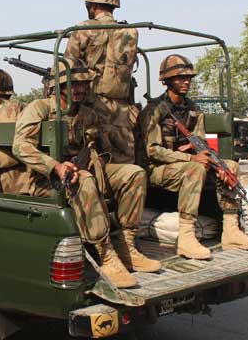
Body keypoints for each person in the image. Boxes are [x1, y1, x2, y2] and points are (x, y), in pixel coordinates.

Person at [13, 57, 160, 288]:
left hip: (88, 171)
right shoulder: (40, 108)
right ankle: (106, 254)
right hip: (49, 180)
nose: (81, 88)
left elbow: (102, 146)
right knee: (85, 180)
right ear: (58, 86)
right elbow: (20, 146)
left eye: (84, 84)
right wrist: (56, 166)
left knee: (134, 174)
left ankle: (127, 244)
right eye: (74, 84)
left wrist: (99, 159)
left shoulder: (87, 113)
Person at [138, 54, 248, 259]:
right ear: (166, 81)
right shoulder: (154, 110)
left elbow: (200, 143)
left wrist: (214, 163)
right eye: (180, 78)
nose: (186, 81)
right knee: (195, 169)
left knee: (229, 166)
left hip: (184, 166)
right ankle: (186, 238)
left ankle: (231, 231)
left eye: (188, 78)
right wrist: (190, 159)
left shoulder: (194, 110)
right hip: (156, 169)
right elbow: (151, 151)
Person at [64, 0, 140, 164]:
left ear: (92, 5)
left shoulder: (82, 30)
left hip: (92, 108)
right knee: (126, 165)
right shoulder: (129, 32)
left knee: (92, 162)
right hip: (123, 111)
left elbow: (67, 70)